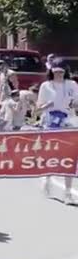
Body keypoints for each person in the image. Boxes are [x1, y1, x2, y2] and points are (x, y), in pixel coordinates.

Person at [37, 59, 78, 205]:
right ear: (51, 71)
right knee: (51, 155)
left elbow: (77, 103)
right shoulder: (46, 86)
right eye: (56, 72)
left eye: (61, 72)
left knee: (70, 157)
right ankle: (47, 178)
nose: (59, 74)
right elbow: (38, 108)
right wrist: (47, 105)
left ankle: (68, 192)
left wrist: (74, 103)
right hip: (50, 123)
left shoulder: (72, 85)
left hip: (68, 123)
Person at [0, 60, 19, 131]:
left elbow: (15, 86)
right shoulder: (1, 75)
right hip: (3, 98)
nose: (0, 70)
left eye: (1, 68)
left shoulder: (11, 74)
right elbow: (0, 87)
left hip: (10, 99)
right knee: (2, 118)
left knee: (8, 119)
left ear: (5, 66)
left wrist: (15, 99)